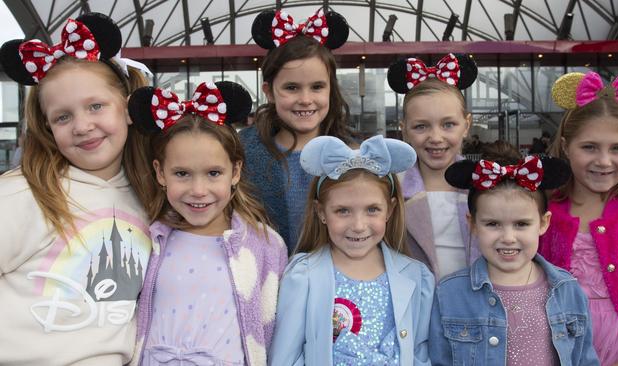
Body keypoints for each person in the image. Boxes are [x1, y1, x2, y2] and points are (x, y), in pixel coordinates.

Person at [0, 13, 155, 365]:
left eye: (96, 106)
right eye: (63, 117)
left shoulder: (150, 196)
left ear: (128, 109)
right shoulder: (21, 195)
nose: (83, 126)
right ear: (47, 127)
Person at [128, 81, 288, 365]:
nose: (199, 190)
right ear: (160, 173)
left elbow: (271, 330)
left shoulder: (266, 245)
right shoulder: (146, 241)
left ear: (235, 171)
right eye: (182, 174)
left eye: (214, 173)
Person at [269, 135, 435, 365]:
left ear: (390, 209)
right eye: (343, 211)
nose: (358, 225)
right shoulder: (302, 276)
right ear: (321, 212)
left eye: (372, 210)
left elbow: (419, 354)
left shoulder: (417, 278)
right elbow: (285, 359)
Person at [430, 141, 599, 366]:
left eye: (521, 224)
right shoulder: (449, 294)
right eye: (492, 224)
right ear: (472, 224)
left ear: (543, 223)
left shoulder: (568, 291)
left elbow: (585, 360)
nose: (508, 237)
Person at [541, 69, 618, 366]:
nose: (603, 161)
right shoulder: (540, 211)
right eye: (589, 147)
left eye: (617, 148)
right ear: (565, 146)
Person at [241, 8, 355, 254]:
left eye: (317, 87)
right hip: (268, 283)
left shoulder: (352, 157)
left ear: (330, 89)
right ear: (269, 91)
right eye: (291, 88)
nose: (305, 99)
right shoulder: (243, 154)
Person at [387, 54, 481, 279]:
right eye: (421, 127)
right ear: (404, 129)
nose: (436, 137)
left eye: (448, 124)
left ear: (466, 125)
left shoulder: (487, 185)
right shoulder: (392, 189)